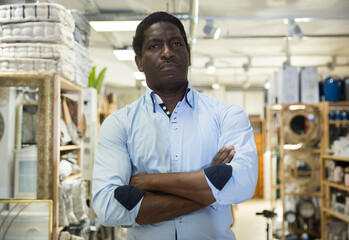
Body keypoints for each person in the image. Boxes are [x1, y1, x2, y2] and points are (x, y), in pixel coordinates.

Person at [92, 11, 258, 240]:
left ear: (189, 56)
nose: (167, 53)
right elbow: (107, 206)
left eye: (176, 43)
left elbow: (242, 183)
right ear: (139, 62)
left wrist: (150, 182)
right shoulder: (119, 124)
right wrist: (209, 187)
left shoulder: (226, 115)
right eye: (154, 46)